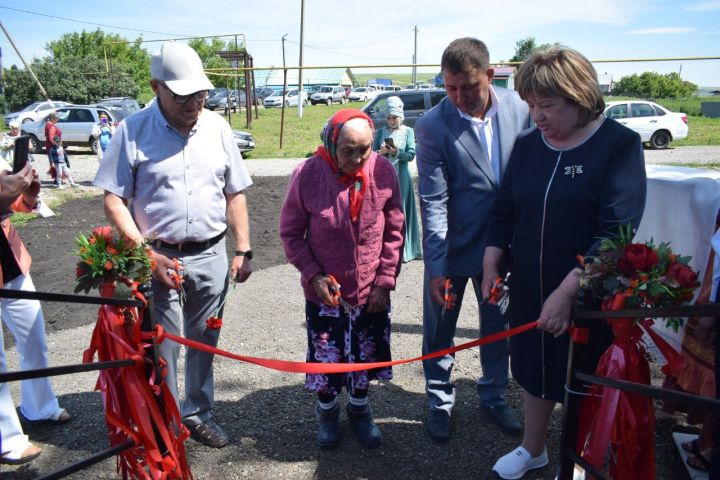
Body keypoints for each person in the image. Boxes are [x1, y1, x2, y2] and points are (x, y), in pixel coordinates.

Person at [481, 46, 646, 479]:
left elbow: (616, 233)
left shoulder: (619, 146)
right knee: (535, 369)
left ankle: (581, 460)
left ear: (577, 96)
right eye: (531, 105)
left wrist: (568, 291)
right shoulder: (529, 146)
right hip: (531, 288)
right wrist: (492, 258)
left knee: (584, 377)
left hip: (587, 293)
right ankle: (533, 449)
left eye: (547, 105)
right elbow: (504, 210)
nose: (537, 116)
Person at [93, 41, 253, 449]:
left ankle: (197, 413)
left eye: (200, 93)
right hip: (158, 256)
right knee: (163, 343)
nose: (194, 101)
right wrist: (145, 254)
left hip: (212, 253)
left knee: (203, 340)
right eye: (183, 94)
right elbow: (113, 197)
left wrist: (243, 249)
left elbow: (235, 191)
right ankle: (164, 420)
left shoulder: (217, 127)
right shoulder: (132, 130)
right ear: (156, 86)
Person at [415, 37, 530, 442]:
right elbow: (433, 200)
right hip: (453, 245)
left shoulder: (521, 109)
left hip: (503, 250)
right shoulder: (432, 125)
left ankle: (495, 395)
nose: (459, 97)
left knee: (497, 325)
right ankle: (439, 399)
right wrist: (438, 266)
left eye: (468, 87)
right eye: (449, 88)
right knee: (440, 327)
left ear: (490, 74)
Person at [279, 109, 405, 449]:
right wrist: (314, 275)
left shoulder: (383, 170)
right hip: (326, 293)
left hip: (370, 290)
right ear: (332, 143)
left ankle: (360, 410)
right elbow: (290, 234)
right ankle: (328, 411)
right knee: (326, 357)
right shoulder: (306, 174)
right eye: (348, 149)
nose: (357, 158)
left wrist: (384, 281)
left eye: (364, 149)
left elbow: (395, 230)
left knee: (366, 353)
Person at [0, 163, 72, 465]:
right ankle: (6, 438)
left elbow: (17, 204)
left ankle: (39, 406)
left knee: (34, 338)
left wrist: (27, 191)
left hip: (11, 260)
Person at [373, 96, 422, 262]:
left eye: (395, 117)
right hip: (383, 178)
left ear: (401, 116)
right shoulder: (380, 132)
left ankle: (405, 249)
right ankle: (385, 249)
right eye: (389, 117)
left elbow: (411, 155)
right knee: (384, 211)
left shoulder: (408, 131)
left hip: (402, 176)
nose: (392, 121)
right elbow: (371, 156)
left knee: (401, 211)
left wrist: (396, 152)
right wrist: (380, 153)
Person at [44, 112, 61, 181]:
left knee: (53, 162)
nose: (57, 120)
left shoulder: (47, 125)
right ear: (52, 119)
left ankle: (56, 178)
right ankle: (57, 179)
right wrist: (57, 145)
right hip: (53, 147)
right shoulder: (51, 126)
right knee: (56, 163)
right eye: (56, 119)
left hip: (49, 146)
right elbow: (51, 138)